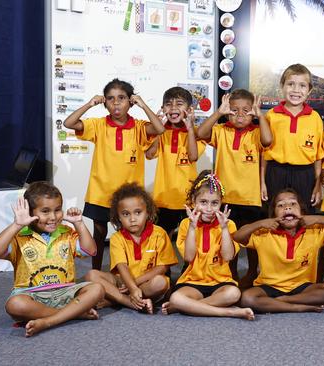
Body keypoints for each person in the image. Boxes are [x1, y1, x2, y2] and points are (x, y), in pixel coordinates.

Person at [64, 78, 165, 270]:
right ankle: (96, 271)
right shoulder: (98, 125)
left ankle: (130, 272)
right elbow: (69, 123)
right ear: (105, 103)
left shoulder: (139, 127)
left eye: (121, 98)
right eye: (110, 98)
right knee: (100, 234)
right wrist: (89, 104)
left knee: (130, 235)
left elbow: (160, 128)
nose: (116, 102)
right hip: (101, 192)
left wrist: (143, 105)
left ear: (130, 101)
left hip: (129, 196)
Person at [0, 182, 104, 337]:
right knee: (14, 305)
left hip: (65, 291)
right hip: (32, 295)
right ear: (30, 212)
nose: (53, 217)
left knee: (97, 289)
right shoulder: (19, 237)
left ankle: (48, 321)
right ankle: (73, 313)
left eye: (57, 210)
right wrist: (16, 225)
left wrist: (79, 223)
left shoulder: (67, 233)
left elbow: (91, 250)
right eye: (45, 211)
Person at [196, 89, 273, 288]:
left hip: (250, 197)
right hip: (225, 197)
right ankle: (230, 273)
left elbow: (267, 140)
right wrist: (219, 113)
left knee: (252, 240)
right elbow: (200, 133)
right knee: (228, 237)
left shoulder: (256, 132)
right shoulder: (221, 130)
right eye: (234, 110)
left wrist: (260, 115)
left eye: (245, 111)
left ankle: (251, 272)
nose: (239, 115)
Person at [162, 171, 255, 320]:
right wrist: (193, 228)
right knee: (176, 298)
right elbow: (188, 257)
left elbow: (228, 256)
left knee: (234, 293)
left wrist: (224, 229)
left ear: (221, 203)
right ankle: (230, 312)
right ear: (193, 201)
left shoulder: (229, 224)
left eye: (214, 203)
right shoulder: (187, 224)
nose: (209, 208)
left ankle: (189, 307)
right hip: (192, 282)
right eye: (203, 202)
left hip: (220, 282)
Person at [234, 189, 324, 313]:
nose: (287, 208)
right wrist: (261, 223)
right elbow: (238, 236)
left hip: (303, 287)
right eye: (280, 205)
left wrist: (315, 218)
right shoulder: (264, 234)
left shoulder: (313, 231)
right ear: (274, 214)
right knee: (247, 298)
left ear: (301, 211)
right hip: (269, 286)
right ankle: (297, 306)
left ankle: (282, 301)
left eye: (293, 204)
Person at [83, 183, 178, 314]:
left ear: (148, 213)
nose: (132, 219)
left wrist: (133, 285)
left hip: (146, 282)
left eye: (138, 212)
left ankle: (115, 299)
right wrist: (131, 287)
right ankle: (129, 302)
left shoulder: (159, 233)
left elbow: (162, 267)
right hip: (122, 281)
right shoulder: (117, 238)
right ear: (118, 218)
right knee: (91, 275)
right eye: (126, 214)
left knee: (160, 283)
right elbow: (122, 266)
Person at [263, 64, 324, 214]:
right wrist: (262, 182)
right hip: (275, 171)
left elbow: (318, 156)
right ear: (282, 86)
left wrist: (318, 184)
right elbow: (263, 153)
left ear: (309, 90)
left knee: (304, 214)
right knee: (274, 214)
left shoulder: (315, 117)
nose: (296, 90)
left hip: (305, 174)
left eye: (302, 86)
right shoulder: (271, 115)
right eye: (291, 84)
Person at [145, 86, 206, 235]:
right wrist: (159, 129)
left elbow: (193, 156)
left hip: (189, 199)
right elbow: (149, 154)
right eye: (168, 104)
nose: (173, 108)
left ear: (190, 109)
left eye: (179, 104)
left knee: (190, 240)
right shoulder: (161, 132)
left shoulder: (198, 132)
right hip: (163, 199)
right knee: (162, 239)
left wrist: (190, 128)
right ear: (162, 108)